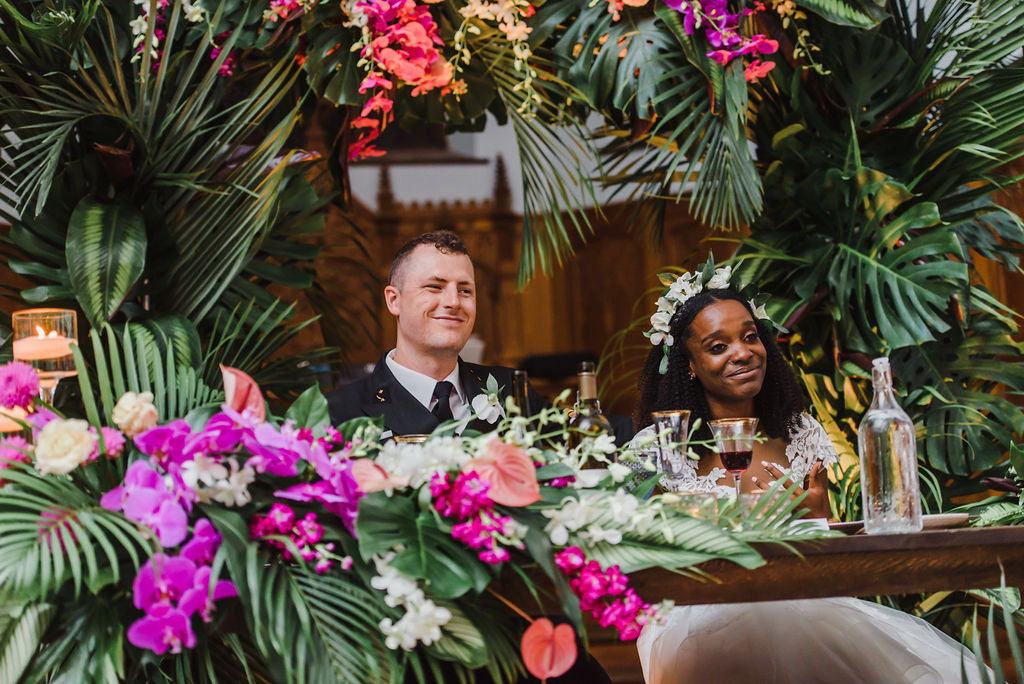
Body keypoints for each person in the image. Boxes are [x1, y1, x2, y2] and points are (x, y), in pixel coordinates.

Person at [631, 268, 987, 683]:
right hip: (696, 621)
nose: (743, 352)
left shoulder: (799, 431)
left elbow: (831, 563)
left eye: (750, 336)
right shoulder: (659, 447)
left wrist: (814, 516)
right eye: (717, 345)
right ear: (689, 365)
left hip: (807, 605)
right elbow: (644, 559)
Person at [326, 230, 548, 437]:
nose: (454, 302)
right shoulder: (337, 413)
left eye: (465, 291)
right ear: (394, 300)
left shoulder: (512, 390)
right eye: (434, 286)